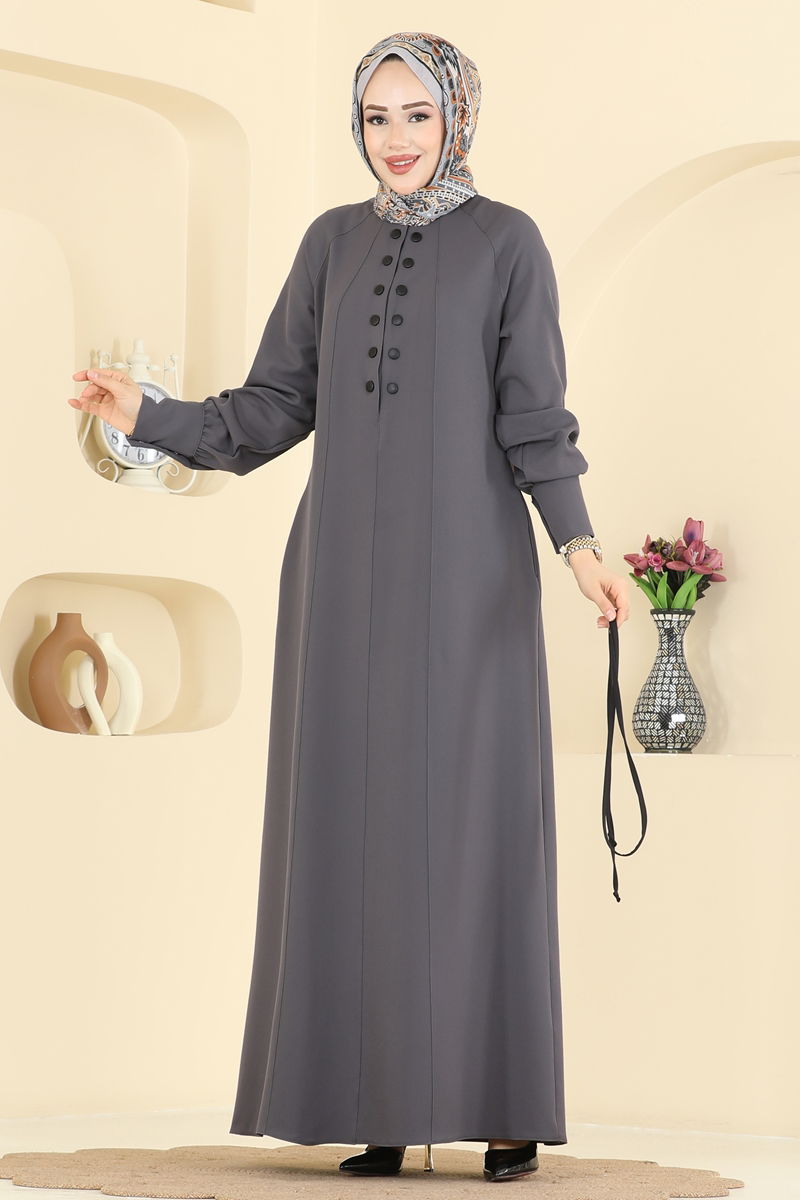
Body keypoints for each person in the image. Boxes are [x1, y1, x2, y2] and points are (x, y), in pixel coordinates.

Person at [68, 30, 630, 1186]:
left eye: (417, 114)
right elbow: (269, 410)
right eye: (376, 117)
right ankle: (377, 1102)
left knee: (470, 831)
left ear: (457, 116)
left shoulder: (507, 242)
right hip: (338, 584)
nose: (396, 138)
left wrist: (578, 547)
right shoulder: (330, 242)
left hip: (468, 581)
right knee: (353, 831)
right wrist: (149, 414)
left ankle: (500, 1105)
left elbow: (534, 419)